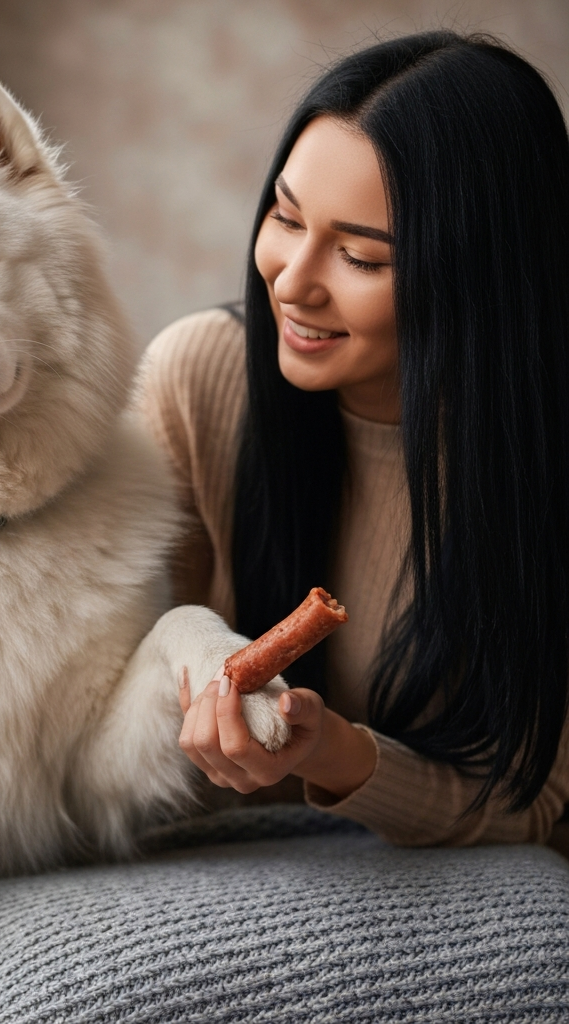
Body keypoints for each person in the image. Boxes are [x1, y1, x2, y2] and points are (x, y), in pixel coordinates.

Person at [139, 31, 569, 845]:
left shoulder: (541, 459)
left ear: (479, 276)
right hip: (211, 868)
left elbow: (531, 799)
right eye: (284, 216)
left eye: (361, 258)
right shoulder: (197, 380)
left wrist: (336, 754)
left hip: (479, 897)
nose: (292, 282)